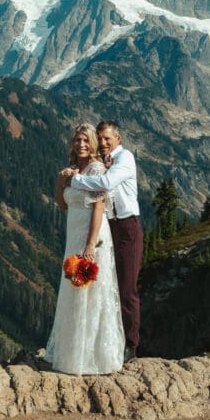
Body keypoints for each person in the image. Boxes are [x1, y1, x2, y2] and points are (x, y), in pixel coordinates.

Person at [43, 124, 124, 375]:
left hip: (93, 235)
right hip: (74, 234)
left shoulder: (97, 169)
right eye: (78, 140)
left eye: (86, 141)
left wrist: (90, 244)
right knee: (74, 289)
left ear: (93, 144)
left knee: (92, 292)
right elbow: (63, 204)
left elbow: (99, 206)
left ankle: (94, 356)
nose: (81, 145)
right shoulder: (74, 171)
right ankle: (73, 354)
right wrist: (61, 180)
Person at [63, 120, 142, 362]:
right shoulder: (103, 163)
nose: (104, 143)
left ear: (119, 139)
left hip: (127, 225)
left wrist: (74, 180)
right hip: (109, 227)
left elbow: (106, 185)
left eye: (108, 138)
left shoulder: (124, 158)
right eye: (102, 138)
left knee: (127, 288)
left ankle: (130, 345)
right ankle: (104, 343)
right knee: (107, 286)